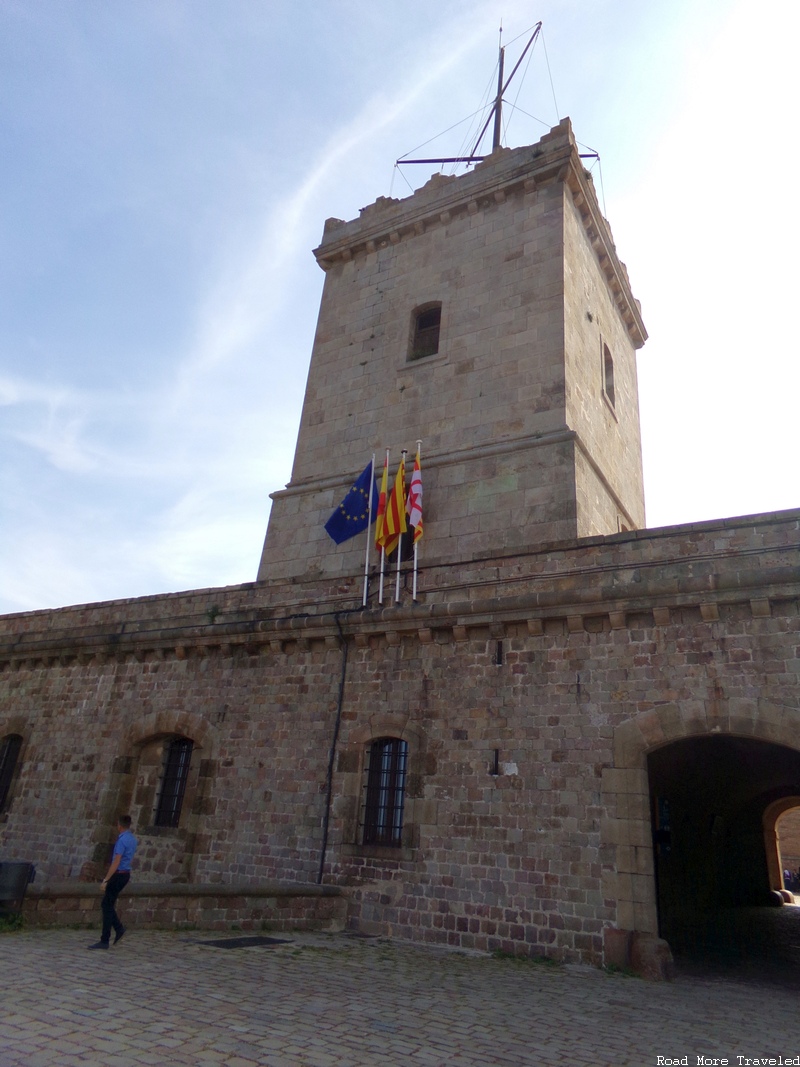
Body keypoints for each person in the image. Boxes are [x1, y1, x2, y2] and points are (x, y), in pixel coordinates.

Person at [88, 815, 137, 950]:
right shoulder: (132, 839)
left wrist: (106, 879)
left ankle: (106, 939)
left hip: (118, 874)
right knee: (108, 904)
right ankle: (117, 929)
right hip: (125, 874)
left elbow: (116, 861)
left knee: (106, 904)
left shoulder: (121, 841)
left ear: (119, 825)